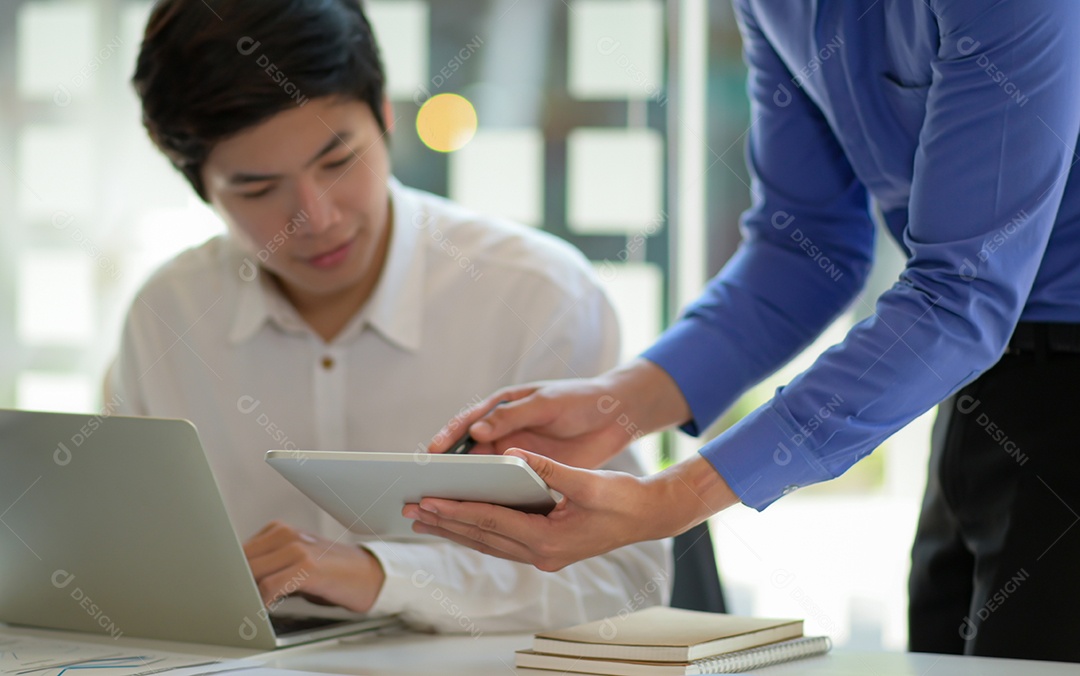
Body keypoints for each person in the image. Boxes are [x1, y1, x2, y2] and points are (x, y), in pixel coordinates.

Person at [410, 0, 1080, 662]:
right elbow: (805, 249)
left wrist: (674, 498)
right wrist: (617, 403)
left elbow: (960, 294)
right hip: (982, 384)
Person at [107, 0, 671, 633]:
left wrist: (384, 576)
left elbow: (622, 583)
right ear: (200, 187)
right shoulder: (167, 315)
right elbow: (120, 562)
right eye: (258, 189)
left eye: (337, 160)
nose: (316, 218)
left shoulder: (535, 295)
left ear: (384, 117)